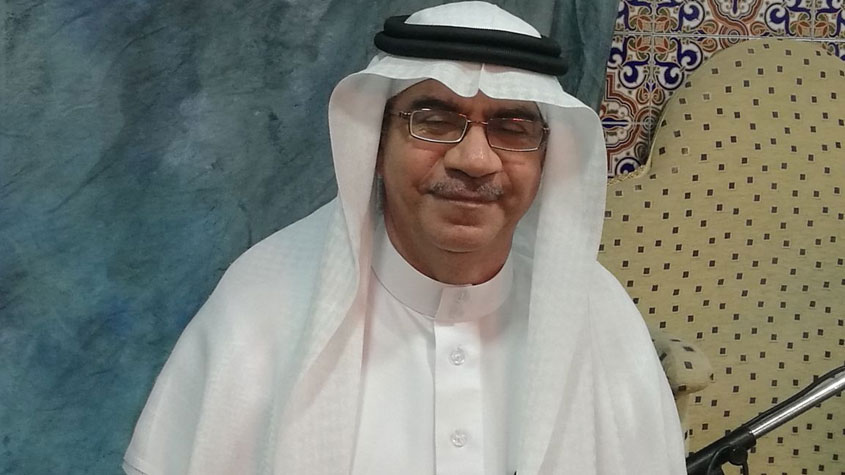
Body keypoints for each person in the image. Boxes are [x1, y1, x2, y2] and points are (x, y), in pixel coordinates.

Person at [124, 2, 686, 474]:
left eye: (512, 128)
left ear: (546, 159)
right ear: (376, 144)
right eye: (434, 121)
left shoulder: (599, 316)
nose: (475, 160)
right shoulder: (263, 304)